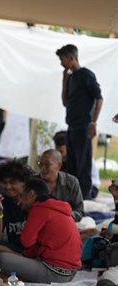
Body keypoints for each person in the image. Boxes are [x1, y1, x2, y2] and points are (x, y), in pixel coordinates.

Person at [0, 178, 82, 283]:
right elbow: (35, 247)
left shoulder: (39, 209)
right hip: (70, 273)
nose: (19, 202)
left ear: (31, 194)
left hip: (55, 273)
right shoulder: (55, 207)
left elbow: (26, 241)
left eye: (22, 196)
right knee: (16, 258)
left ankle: (19, 277)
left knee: (3, 259)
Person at [57, 44, 103, 199]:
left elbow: (99, 98)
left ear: (71, 58)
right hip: (71, 124)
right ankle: (73, 195)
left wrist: (93, 122)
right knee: (72, 163)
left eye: (63, 59)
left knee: (83, 163)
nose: (61, 63)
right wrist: (65, 81)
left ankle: (85, 196)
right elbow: (65, 102)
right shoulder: (71, 78)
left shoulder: (86, 75)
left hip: (84, 125)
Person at [0, 160, 34, 257]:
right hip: (15, 248)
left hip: (34, 249)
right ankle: (21, 259)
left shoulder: (33, 200)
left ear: (24, 183)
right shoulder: (1, 202)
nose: (7, 187)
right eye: (4, 182)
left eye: (12, 182)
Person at [38, 149, 83, 222]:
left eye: (47, 164)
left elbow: (79, 211)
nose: (42, 168)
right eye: (40, 164)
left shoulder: (72, 182)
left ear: (59, 165)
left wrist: (61, 216)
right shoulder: (34, 183)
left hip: (65, 223)